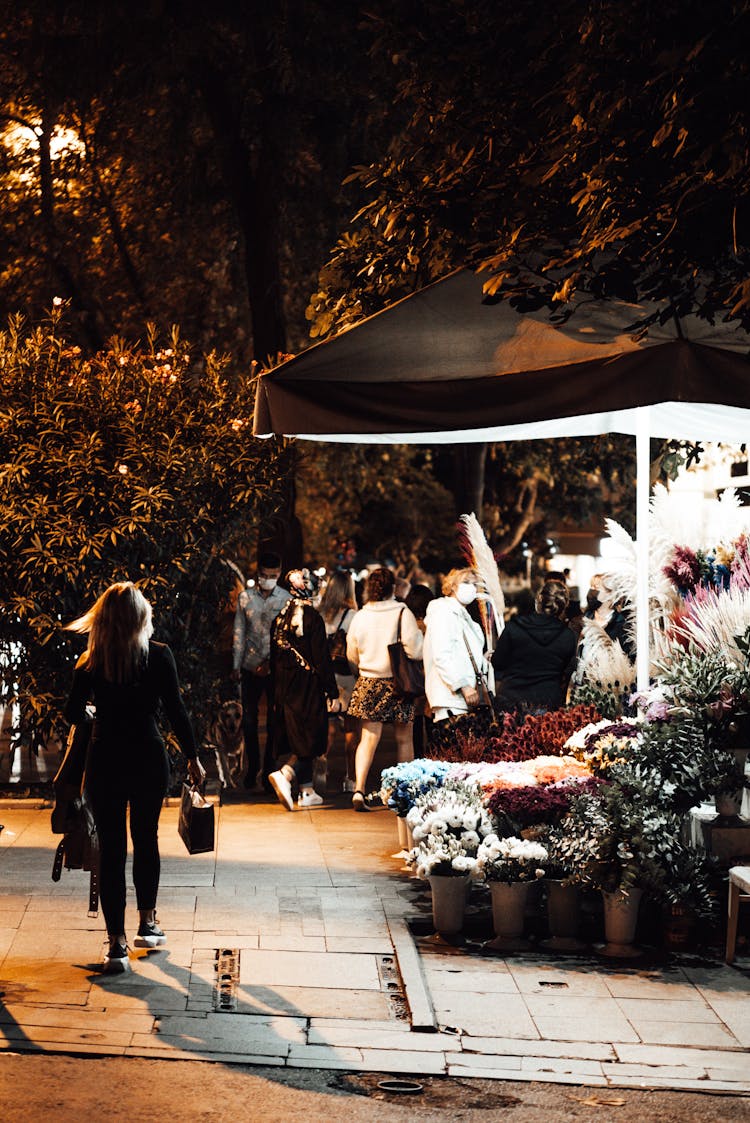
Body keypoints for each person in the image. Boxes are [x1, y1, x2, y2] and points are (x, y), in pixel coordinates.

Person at [64, 581, 204, 974]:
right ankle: (147, 922)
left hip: (106, 758)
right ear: (142, 617)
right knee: (146, 838)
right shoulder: (158, 656)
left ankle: (116, 945)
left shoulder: (89, 662)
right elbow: (176, 710)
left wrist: (93, 714)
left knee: (111, 849)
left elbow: (72, 712)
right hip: (147, 755)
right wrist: (193, 756)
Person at [346, 566, 423, 810]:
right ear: (393, 588)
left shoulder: (360, 616)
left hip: (368, 680)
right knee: (404, 738)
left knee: (367, 739)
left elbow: (351, 653)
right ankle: (404, 792)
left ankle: (359, 788)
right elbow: (416, 650)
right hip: (398, 682)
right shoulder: (402, 612)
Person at [267, 569, 341, 810]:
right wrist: (332, 691)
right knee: (312, 737)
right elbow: (321, 658)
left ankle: (307, 790)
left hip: (285, 687)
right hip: (308, 687)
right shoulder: (313, 618)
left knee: (300, 735)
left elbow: (274, 659)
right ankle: (286, 774)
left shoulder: (280, 618)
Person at [231, 551, 291, 791]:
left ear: (279, 574)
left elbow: (286, 637)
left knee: (276, 721)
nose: (268, 579)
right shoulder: (245, 598)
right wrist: (236, 665)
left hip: (275, 668)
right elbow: (239, 632)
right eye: (265, 575)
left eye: (273, 575)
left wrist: (271, 663)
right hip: (248, 666)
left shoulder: (285, 599)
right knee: (248, 721)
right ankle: (252, 766)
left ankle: (269, 768)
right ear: (258, 575)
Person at [423, 568, 495, 751]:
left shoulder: (462, 616)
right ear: (452, 585)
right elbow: (442, 654)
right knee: (454, 752)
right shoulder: (444, 613)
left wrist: (483, 660)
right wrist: (462, 685)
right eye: (466, 583)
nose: (471, 588)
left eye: (474, 584)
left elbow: (462, 653)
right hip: (452, 697)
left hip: (465, 698)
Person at [492, 579, 577, 713]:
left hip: (511, 700)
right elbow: (568, 671)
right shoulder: (568, 636)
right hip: (548, 703)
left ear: (539, 599)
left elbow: (498, 662)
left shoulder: (515, 627)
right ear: (564, 605)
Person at [318, 570, 360, 791]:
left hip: (326, 677)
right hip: (347, 676)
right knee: (352, 728)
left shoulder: (320, 613)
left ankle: (321, 769)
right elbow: (355, 650)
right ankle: (351, 777)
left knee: (328, 727)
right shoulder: (353, 616)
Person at [404, 583, 436, 757]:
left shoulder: (407, 624)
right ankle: (433, 755)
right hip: (430, 678)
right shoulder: (432, 624)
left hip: (412, 679)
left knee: (414, 724)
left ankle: (417, 758)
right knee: (431, 722)